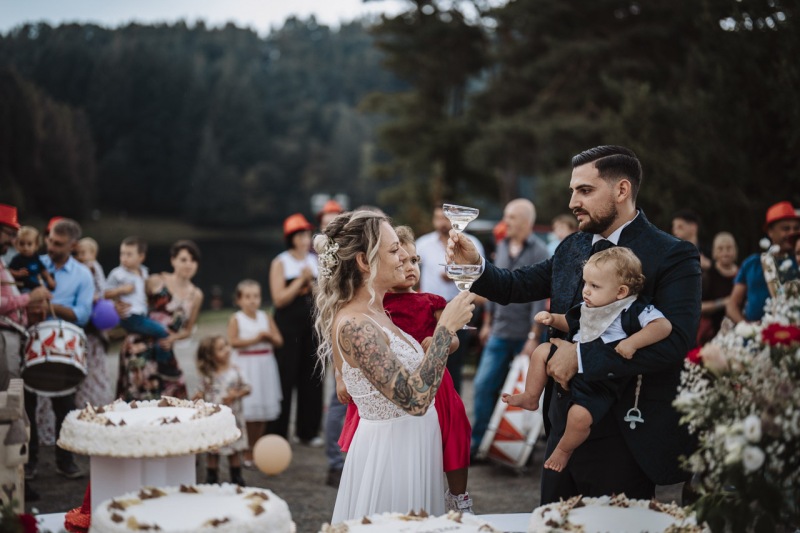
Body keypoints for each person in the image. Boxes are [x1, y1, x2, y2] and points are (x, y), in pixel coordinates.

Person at [447, 145, 700, 503]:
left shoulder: (672, 254)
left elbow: (674, 344)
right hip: (561, 425)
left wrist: (581, 358)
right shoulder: (571, 247)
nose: (572, 202)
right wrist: (476, 264)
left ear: (622, 190)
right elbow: (517, 285)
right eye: (572, 191)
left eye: (584, 190)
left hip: (625, 432)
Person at [313, 210, 476, 521]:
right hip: (391, 460)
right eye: (393, 250)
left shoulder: (379, 313)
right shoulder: (355, 325)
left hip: (415, 450)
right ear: (364, 261)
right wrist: (444, 332)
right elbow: (414, 400)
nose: (404, 255)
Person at [503, 247, 672, 472]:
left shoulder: (634, 309)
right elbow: (572, 322)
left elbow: (663, 326)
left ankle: (564, 450)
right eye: (585, 284)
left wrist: (634, 342)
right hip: (572, 365)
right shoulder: (589, 307)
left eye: (594, 286)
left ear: (621, 292)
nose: (586, 291)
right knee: (542, 351)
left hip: (601, 380)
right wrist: (552, 318)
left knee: (580, 418)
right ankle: (531, 396)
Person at [472, 198, 549, 459]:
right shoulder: (502, 246)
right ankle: (480, 443)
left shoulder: (540, 251)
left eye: (511, 217)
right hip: (499, 332)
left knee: (526, 394)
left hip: (525, 336)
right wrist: (487, 323)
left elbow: (540, 299)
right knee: (483, 386)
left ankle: (521, 450)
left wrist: (533, 336)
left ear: (526, 222)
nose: (506, 222)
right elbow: (494, 289)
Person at [25, 218, 94, 480]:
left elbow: (83, 314)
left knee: (64, 405)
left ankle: (64, 461)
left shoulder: (83, 275)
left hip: (64, 345)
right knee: (26, 405)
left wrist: (52, 306)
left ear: (73, 245)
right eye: (50, 241)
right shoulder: (32, 264)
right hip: (31, 339)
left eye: (58, 244)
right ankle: (29, 461)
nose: (50, 247)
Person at [0, 205, 51, 501]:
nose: (10, 241)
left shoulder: (3, 260)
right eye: (8, 233)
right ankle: (11, 482)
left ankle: (15, 477)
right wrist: (28, 298)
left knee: (14, 405)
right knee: (10, 405)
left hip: (11, 338)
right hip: (3, 339)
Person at [117, 240, 204, 401]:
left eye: (193, 260)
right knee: (139, 402)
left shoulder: (196, 295)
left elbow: (187, 330)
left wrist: (173, 338)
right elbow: (130, 300)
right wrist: (117, 305)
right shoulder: (156, 281)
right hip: (139, 345)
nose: (189, 264)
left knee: (174, 398)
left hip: (164, 349)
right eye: (184, 259)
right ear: (173, 260)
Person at [267, 213, 324, 446]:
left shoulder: (315, 260)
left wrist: (311, 285)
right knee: (284, 377)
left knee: (312, 378)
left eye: (307, 234)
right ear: (290, 238)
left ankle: (308, 431)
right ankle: (277, 432)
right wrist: (300, 281)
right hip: (288, 328)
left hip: (311, 327)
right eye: (299, 235)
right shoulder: (281, 262)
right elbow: (278, 299)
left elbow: (321, 295)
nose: (304, 238)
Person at [416, 204, 485, 393]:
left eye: (444, 218)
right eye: (437, 218)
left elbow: (481, 276)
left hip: (457, 310)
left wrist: (455, 275)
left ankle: (454, 403)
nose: (441, 222)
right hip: (428, 312)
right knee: (428, 360)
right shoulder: (423, 244)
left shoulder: (471, 243)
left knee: (454, 364)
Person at [228, 279, 283, 467]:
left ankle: (258, 446)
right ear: (239, 300)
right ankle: (245, 447)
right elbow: (233, 342)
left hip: (265, 365)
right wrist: (255, 339)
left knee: (262, 409)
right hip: (246, 364)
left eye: (256, 296)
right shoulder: (237, 319)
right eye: (248, 297)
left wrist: (269, 337)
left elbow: (279, 340)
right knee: (248, 409)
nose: (253, 301)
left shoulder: (265, 317)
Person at [104, 236, 175, 376]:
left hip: (141, 314)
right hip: (130, 315)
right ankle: (164, 364)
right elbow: (104, 293)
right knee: (162, 332)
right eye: (122, 254)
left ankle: (151, 359)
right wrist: (121, 290)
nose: (124, 258)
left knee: (155, 333)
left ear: (141, 257)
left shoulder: (144, 272)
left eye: (129, 254)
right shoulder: (117, 274)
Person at [317, 200, 350, 487]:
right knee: (339, 395)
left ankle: (344, 460)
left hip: (346, 322)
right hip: (341, 326)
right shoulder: (328, 253)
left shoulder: (339, 249)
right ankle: (335, 463)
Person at [727, 201, 800, 323]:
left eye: (796, 228)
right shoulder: (752, 263)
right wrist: (747, 329)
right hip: (757, 336)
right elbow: (732, 304)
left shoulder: (798, 261)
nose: (791, 233)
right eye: (785, 228)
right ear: (770, 231)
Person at [195, 334, 251, 486]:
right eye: (221, 348)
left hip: (233, 419)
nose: (227, 350)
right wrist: (198, 397)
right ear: (210, 356)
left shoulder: (235, 371)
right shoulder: (208, 375)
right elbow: (200, 392)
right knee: (213, 450)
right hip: (214, 419)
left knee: (234, 449)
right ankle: (211, 478)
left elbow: (247, 388)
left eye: (226, 345)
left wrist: (236, 394)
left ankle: (237, 478)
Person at [74, 236, 113, 408]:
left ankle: (99, 401)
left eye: (85, 253)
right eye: (79, 253)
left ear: (94, 254)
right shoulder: (79, 268)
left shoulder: (93, 268)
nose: (82, 256)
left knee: (95, 367)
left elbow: (101, 288)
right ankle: (85, 402)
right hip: (84, 323)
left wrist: (96, 296)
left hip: (94, 321)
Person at [697, 232, 738, 345]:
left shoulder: (741, 274)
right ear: (714, 252)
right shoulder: (707, 276)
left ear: (735, 251)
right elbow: (697, 307)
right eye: (720, 249)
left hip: (739, 332)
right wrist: (722, 303)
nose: (725, 252)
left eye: (729, 248)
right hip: (712, 336)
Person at [8, 226, 56, 292]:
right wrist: (17, 274)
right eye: (22, 244)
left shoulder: (36, 257)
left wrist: (49, 279)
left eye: (29, 244)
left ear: (36, 245)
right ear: (16, 244)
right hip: (24, 288)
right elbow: (9, 272)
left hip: (37, 287)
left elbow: (42, 269)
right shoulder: (17, 259)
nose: (25, 247)